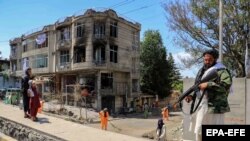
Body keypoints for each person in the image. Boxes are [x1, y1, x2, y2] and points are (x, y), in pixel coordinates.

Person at [185, 49, 232, 141]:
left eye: (209, 59)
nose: (207, 62)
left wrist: (208, 84)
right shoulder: (202, 71)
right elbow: (198, 88)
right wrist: (192, 96)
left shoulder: (221, 69)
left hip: (214, 107)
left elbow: (226, 85)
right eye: (205, 60)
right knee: (199, 131)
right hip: (202, 105)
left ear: (215, 59)